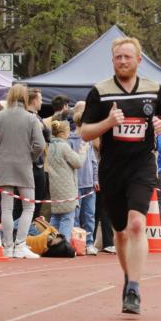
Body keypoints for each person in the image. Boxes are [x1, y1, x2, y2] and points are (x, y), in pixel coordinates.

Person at [80, 36, 161, 315]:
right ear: (112, 60)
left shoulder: (153, 89)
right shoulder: (100, 92)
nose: (122, 61)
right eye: (118, 57)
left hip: (142, 165)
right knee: (120, 231)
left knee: (136, 225)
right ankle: (128, 276)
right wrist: (108, 123)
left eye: (127, 57)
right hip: (112, 167)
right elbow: (85, 132)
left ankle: (134, 286)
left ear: (138, 60)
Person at [0, 84, 45, 259]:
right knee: (29, 206)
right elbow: (40, 145)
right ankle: (20, 244)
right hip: (24, 165)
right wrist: (30, 157)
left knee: (6, 207)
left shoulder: (0, 117)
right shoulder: (31, 118)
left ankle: (7, 245)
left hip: (4, 166)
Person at [46, 119, 87, 245]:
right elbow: (78, 163)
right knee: (67, 216)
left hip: (54, 185)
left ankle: (49, 242)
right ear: (63, 133)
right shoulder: (64, 146)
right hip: (67, 186)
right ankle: (62, 244)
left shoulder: (50, 146)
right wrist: (83, 152)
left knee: (56, 216)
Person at [70, 101, 98, 254]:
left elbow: (93, 161)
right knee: (75, 216)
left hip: (88, 184)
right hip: (75, 184)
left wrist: (95, 179)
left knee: (89, 215)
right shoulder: (70, 140)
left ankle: (89, 242)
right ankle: (76, 243)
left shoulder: (89, 139)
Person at [27, 88, 50, 221]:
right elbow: (43, 140)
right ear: (34, 100)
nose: (41, 102)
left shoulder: (37, 117)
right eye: (40, 99)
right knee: (31, 203)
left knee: (36, 201)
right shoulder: (31, 118)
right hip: (34, 164)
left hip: (36, 163)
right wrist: (34, 158)